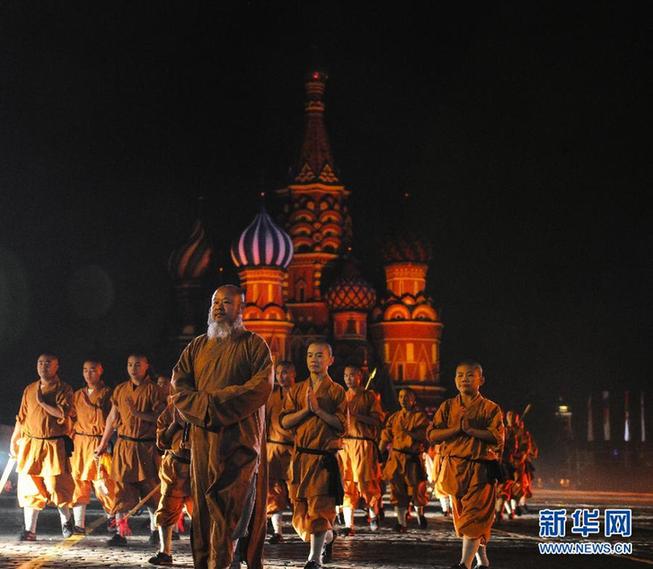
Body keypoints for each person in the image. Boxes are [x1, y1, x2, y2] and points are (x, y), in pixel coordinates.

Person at [172, 284, 273, 569]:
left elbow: (260, 387)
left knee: (232, 504)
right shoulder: (196, 347)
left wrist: (210, 404)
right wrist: (205, 407)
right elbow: (179, 388)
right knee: (204, 508)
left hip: (239, 442)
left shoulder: (254, 346)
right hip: (204, 441)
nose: (219, 307)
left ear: (240, 309)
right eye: (215, 301)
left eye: (227, 302)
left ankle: (226, 561)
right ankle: (209, 563)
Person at [428, 360, 504, 569]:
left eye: (470, 375)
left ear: (481, 380)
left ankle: (464, 564)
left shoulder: (491, 408)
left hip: (480, 468)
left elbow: (497, 438)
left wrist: (471, 430)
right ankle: (482, 560)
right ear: (454, 380)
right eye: (460, 375)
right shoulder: (447, 407)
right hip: (454, 469)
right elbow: (432, 434)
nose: (464, 379)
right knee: (464, 518)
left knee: (474, 516)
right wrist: (455, 430)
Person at [280, 342, 346, 569]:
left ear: (330, 360)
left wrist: (318, 411)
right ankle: (326, 537)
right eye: (309, 355)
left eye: (319, 355)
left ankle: (314, 559)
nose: (313, 360)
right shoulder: (297, 390)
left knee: (319, 510)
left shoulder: (337, 391)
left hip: (323, 459)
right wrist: (307, 410)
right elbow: (285, 421)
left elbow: (341, 424)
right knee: (300, 515)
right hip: (300, 459)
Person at [95, 352, 166, 546]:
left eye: (137, 365)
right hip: (124, 446)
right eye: (130, 365)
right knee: (122, 490)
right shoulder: (120, 390)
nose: (133, 368)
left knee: (151, 489)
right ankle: (121, 532)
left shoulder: (155, 391)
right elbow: (112, 418)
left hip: (146, 446)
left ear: (146, 366)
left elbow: (161, 418)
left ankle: (155, 530)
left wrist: (137, 413)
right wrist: (103, 443)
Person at [10, 353, 76, 540]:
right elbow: (21, 418)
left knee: (57, 485)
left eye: (48, 363)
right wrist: (14, 440)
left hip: (54, 443)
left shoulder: (64, 389)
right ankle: (30, 530)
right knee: (30, 485)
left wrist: (42, 403)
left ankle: (66, 521)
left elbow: (63, 414)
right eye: (40, 363)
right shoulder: (30, 389)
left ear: (56, 366)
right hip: (31, 444)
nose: (43, 367)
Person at [148, 380, 192, 566]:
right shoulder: (171, 409)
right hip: (174, 466)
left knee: (202, 512)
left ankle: (205, 552)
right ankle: (165, 551)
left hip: (199, 469)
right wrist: (176, 425)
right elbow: (162, 441)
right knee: (166, 508)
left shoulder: (206, 408)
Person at [70, 358, 115, 533]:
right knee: (78, 480)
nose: (89, 373)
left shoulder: (109, 393)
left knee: (103, 481)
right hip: (80, 442)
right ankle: (78, 524)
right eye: (86, 370)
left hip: (99, 440)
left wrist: (105, 442)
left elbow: (114, 420)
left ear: (101, 370)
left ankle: (112, 518)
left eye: (93, 370)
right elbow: (71, 418)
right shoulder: (77, 394)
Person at [339, 365, 384, 535]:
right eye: (345, 375)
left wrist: (357, 416)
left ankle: (373, 514)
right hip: (345, 446)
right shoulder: (341, 396)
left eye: (352, 375)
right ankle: (348, 525)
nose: (348, 379)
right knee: (346, 483)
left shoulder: (369, 396)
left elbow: (377, 420)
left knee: (366, 482)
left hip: (363, 445)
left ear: (360, 376)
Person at [379, 388, 429, 532]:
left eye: (407, 397)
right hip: (396, 458)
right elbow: (385, 436)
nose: (403, 400)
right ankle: (401, 523)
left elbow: (424, 436)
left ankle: (420, 513)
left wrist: (408, 433)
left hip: (412, 459)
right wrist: (378, 452)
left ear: (413, 400)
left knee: (416, 490)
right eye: (401, 396)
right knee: (397, 490)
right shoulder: (394, 417)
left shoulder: (420, 417)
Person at [266, 360, 296, 544]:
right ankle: (277, 532)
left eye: (285, 372)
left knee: (296, 490)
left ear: (293, 374)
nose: (281, 377)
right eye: (278, 373)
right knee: (272, 492)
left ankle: (307, 529)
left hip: (294, 449)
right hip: (273, 448)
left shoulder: (301, 394)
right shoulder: (271, 396)